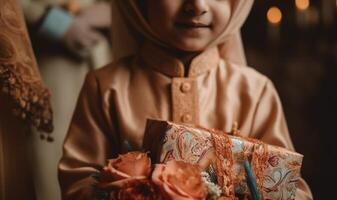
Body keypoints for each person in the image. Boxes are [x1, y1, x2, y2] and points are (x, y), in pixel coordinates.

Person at [58, 0, 313, 199]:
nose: (197, 6)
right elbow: (77, 181)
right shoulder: (106, 87)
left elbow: (293, 188)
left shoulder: (255, 91)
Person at [18, 0, 112, 199]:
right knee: (49, 165)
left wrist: (114, 11)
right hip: (41, 60)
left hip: (106, 53)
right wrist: (56, 23)